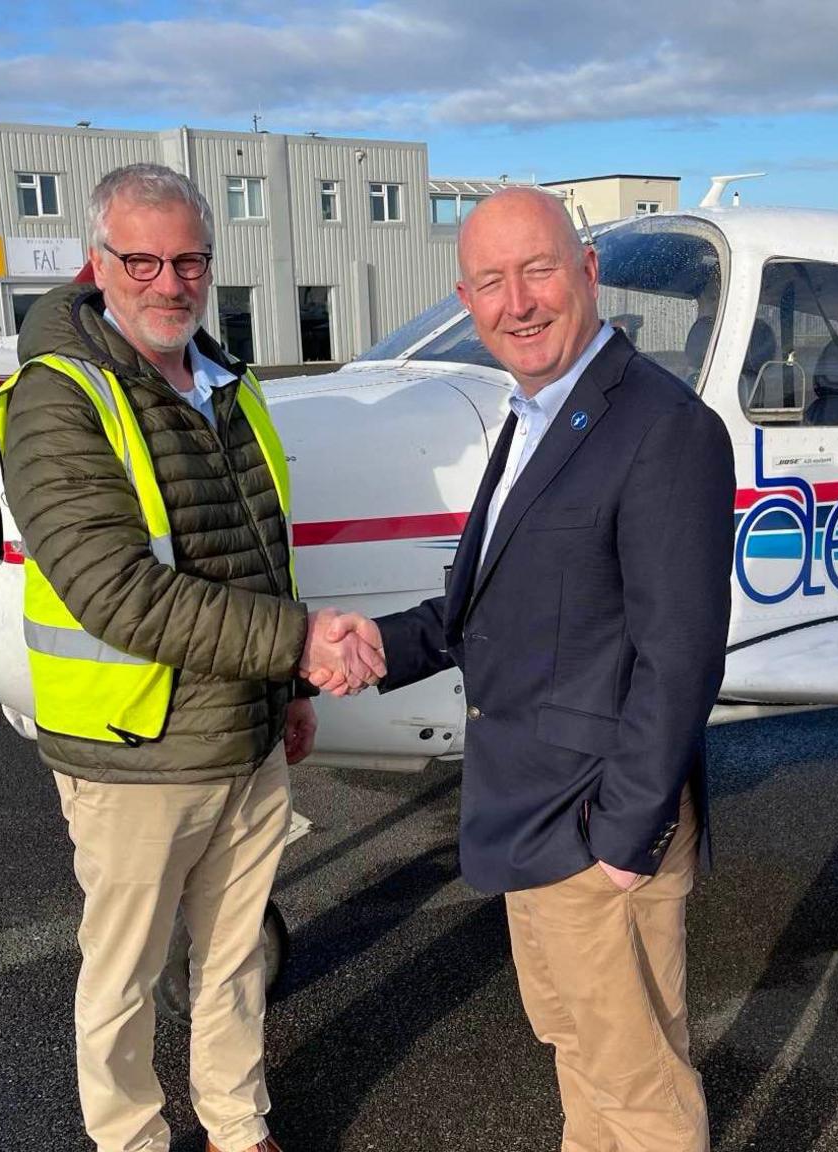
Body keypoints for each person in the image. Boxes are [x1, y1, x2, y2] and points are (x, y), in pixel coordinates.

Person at [309, 187, 735, 1150]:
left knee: (639, 1085)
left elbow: (681, 657)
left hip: (594, 826)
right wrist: (377, 649)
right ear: (468, 296)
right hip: (529, 812)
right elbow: (483, 608)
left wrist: (626, 838)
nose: (518, 302)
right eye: (492, 283)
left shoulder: (663, 429)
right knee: (576, 1048)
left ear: (587, 273)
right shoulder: (535, 411)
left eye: (539, 270)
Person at [0, 162, 380, 1152]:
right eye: (143, 260)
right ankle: (128, 1140)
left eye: (189, 260)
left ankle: (237, 1129)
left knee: (235, 958)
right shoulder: (56, 399)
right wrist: (297, 642)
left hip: (242, 733)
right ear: (98, 262)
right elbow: (112, 589)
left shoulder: (226, 382)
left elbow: (259, 547)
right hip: (133, 752)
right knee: (120, 976)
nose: (169, 282)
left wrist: (287, 684)